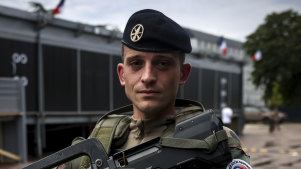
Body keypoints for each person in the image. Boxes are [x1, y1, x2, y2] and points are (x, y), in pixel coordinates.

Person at [64, 9, 252, 169]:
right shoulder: (99, 143)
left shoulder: (213, 141)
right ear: (122, 74)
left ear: (183, 74)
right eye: (136, 63)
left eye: (162, 64)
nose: (147, 77)